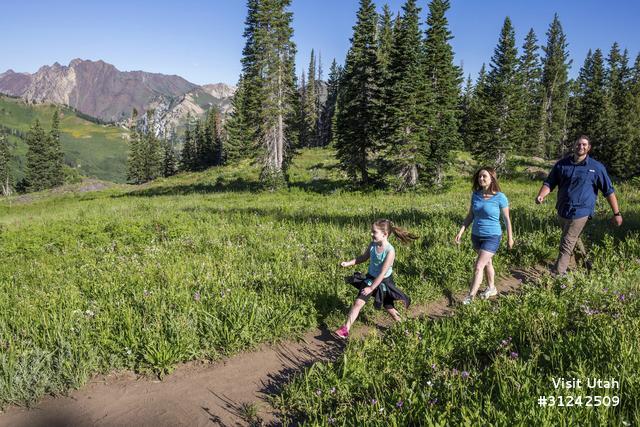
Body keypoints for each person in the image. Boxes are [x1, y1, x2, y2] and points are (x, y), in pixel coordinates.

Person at [535, 135, 622, 276]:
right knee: (574, 241)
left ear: (589, 147)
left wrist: (617, 213)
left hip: (582, 211)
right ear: (574, 146)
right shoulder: (562, 164)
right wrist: (541, 195)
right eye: (578, 144)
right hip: (563, 209)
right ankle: (587, 267)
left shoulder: (596, 167)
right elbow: (550, 182)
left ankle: (558, 275)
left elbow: (608, 191)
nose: (581, 147)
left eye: (584, 144)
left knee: (566, 242)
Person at [334, 219, 417, 339]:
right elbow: (363, 257)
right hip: (370, 279)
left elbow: (382, 273)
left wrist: (371, 288)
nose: (371, 234)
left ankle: (405, 330)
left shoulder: (390, 251)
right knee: (358, 302)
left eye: (374, 232)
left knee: (390, 309)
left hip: (384, 283)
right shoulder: (372, 245)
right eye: (371, 232)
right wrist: (348, 263)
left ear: (385, 234)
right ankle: (345, 329)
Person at [455, 167, 514, 304]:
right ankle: (492, 288)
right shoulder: (476, 195)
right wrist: (461, 231)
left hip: (492, 236)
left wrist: (510, 238)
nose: (481, 179)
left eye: (484, 176)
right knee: (487, 263)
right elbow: (470, 216)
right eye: (479, 176)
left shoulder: (500, 197)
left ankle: (470, 297)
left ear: (491, 178)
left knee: (478, 266)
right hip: (476, 235)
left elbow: (506, 219)